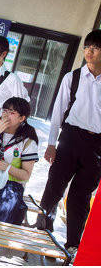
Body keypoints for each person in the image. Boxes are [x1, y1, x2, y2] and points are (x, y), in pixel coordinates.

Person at [41, 34, 101, 253]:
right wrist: (50, 144)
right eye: (87, 47)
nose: (89, 52)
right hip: (69, 138)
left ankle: (73, 244)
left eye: (95, 48)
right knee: (55, 184)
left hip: (97, 145)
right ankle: (42, 228)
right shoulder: (72, 77)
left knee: (81, 195)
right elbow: (57, 112)